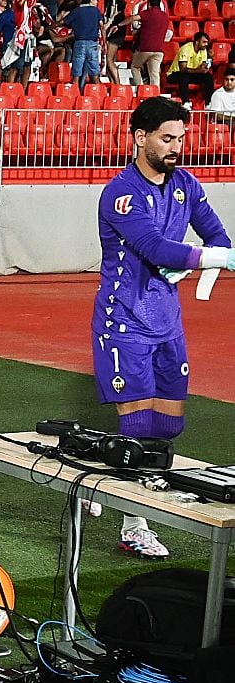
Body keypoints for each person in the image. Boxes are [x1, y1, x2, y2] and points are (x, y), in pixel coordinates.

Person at [93, 96, 235, 558]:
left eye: (181, 138)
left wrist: (194, 271)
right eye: (167, 138)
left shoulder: (187, 185)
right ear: (140, 137)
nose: (177, 147)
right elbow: (157, 247)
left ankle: (107, 479)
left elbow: (217, 237)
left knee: (167, 426)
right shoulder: (120, 193)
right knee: (136, 425)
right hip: (125, 321)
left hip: (167, 322)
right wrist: (203, 260)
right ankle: (134, 523)